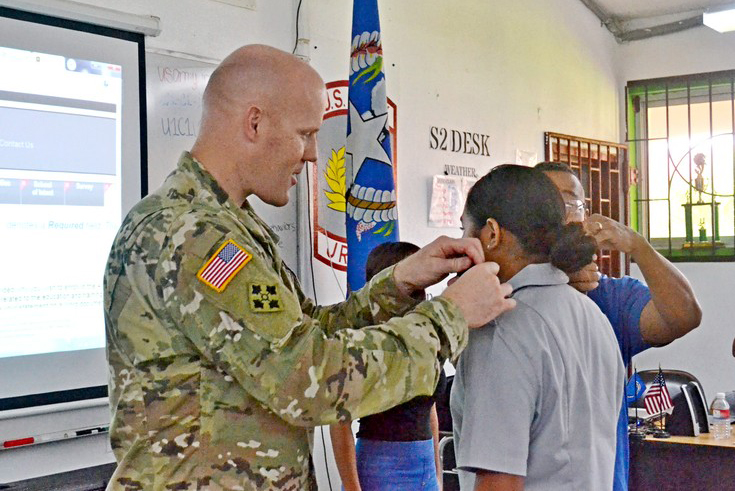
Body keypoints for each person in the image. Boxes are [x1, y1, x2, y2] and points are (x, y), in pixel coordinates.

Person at [103, 45, 516, 491]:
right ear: (255, 123)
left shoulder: (227, 224)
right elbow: (306, 376)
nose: (314, 155)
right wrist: (449, 316)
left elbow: (305, 332)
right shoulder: (191, 235)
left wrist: (398, 283)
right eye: (305, 134)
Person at [450, 165, 625, 491]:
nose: (461, 243)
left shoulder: (502, 328)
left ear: (491, 233)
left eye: (464, 229)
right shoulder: (592, 316)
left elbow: (499, 482)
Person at [535, 161, 702, 491]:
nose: (563, 212)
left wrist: (637, 245)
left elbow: (685, 315)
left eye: (571, 202)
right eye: (550, 201)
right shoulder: (505, 296)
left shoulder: (608, 296)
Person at [331, 242, 445, 491]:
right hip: (380, 470)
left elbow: (429, 407)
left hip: (424, 467)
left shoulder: (424, 337)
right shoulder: (363, 340)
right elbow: (339, 425)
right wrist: (352, 488)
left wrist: (436, 470)